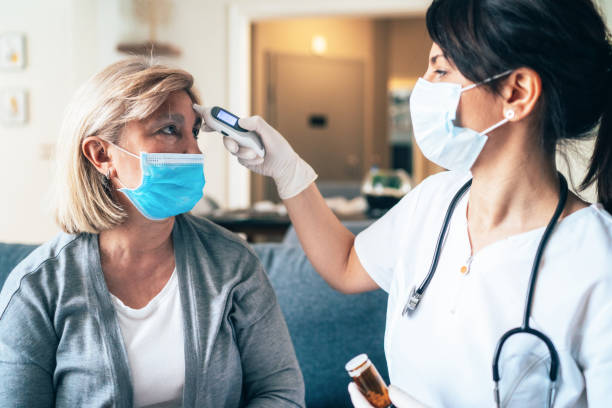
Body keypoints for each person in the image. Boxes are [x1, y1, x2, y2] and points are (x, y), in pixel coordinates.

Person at [207, 0, 612, 406]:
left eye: (440, 69)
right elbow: (346, 265)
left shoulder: (597, 261)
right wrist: (288, 171)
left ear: (516, 92)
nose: (424, 87)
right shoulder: (435, 201)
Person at [0, 58, 305, 408]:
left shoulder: (233, 263)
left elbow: (280, 393)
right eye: (169, 130)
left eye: (193, 132)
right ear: (101, 154)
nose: (194, 151)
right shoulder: (37, 289)